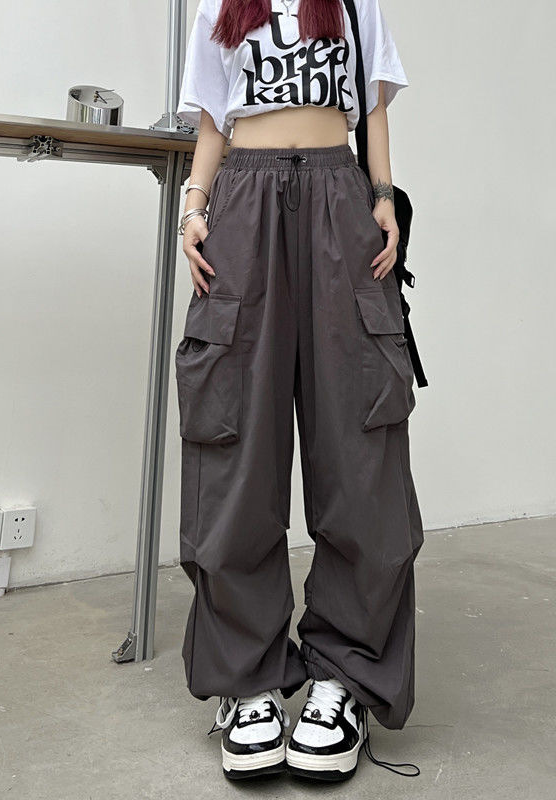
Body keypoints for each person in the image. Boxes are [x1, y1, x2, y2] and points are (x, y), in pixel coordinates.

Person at [174, 0, 424, 783]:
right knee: (233, 440)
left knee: (359, 442)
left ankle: (344, 676)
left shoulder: (353, 3)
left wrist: (383, 195)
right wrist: (193, 206)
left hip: (336, 196)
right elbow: (212, 116)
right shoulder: (221, 6)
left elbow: (372, 104)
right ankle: (245, 680)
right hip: (242, 204)